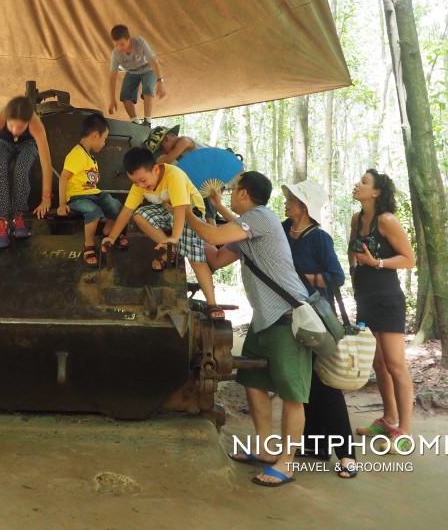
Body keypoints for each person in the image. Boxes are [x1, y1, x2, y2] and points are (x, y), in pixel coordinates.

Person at [190, 170, 311, 487]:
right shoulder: (246, 229)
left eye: (232, 190)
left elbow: (215, 236)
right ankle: (265, 449)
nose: (229, 193)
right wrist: (199, 227)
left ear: (244, 194)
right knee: (254, 383)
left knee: (291, 395)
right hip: (263, 321)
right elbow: (215, 257)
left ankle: (286, 463)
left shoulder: (260, 217)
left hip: (287, 318)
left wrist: (184, 212)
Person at [280, 180, 358, 478]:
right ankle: (316, 444)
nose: (286, 201)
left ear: (304, 207)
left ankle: (347, 455)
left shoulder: (319, 238)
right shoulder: (283, 230)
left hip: (314, 319)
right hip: (290, 316)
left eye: (292, 199)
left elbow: (336, 277)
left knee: (325, 386)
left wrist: (305, 279)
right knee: (306, 380)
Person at [101, 148, 223, 319]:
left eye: (143, 180)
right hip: (167, 209)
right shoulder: (139, 185)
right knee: (140, 216)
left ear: (156, 169)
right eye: (135, 182)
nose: (140, 186)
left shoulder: (174, 176)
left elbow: (181, 209)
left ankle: (212, 303)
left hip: (190, 212)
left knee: (196, 260)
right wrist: (112, 236)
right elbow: (127, 211)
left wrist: (175, 237)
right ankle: (170, 250)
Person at [349, 169, 416, 453]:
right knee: (377, 364)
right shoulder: (357, 218)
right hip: (365, 298)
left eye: (364, 182)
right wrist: (356, 264)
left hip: (388, 299)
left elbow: (409, 259)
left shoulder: (386, 220)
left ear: (376, 192)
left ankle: (405, 432)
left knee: (395, 365)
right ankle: (388, 420)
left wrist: (376, 262)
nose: (357, 184)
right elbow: (354, 252)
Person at [0, 96, 53, 249]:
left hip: (27, 144)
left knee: (21, 171)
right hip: (2, 143)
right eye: (11, 125)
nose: (15, 131)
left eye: (21, 127)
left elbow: (46, 164)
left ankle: (18, 216)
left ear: (28, 121)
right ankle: (2, 221)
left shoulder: (36, 124)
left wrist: (46, 197)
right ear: (6, 118)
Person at [56, 113, 126, 267]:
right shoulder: (77, 155)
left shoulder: (90, 157)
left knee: (116, 205)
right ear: (95, 135)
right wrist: (62, 204)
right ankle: (88, 244)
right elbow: (63, 178)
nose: (104, 143)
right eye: (104, 139)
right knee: (93, 212)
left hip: (93, 193)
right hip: (78, 197)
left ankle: (108, 230)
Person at [106, 24, 165, 124]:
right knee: (124, 95)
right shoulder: (116, 53)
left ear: (129, 38)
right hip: (132, 72)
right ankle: (135, 121)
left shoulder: (139, 42)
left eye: (122, 44)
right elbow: (112, 77)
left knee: (147, 88)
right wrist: (112, 99)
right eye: (116, 45)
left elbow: (153, 62)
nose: (119, 48)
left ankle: (147, 121)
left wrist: (160, 81)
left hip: (148, 68)